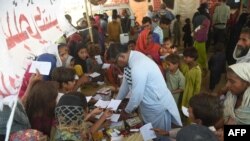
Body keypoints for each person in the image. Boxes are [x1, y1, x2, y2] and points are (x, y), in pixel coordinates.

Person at [106, 43, 182, 141]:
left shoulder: (138, 66)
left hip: (156, 105)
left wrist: (126, 111)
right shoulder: (130, 60)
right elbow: (125, 85)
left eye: (115, 62)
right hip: (149, 104)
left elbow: (137, 95)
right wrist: (114, 104)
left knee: (158, 135)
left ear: (122, 56)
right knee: (150, 133)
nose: (116, 65)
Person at [152, 93, 222, 140]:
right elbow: (184, 130)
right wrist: (167, 133)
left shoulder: (191, 137)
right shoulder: (200, 127)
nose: (188, 110)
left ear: (199, 121)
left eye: (190, 111)